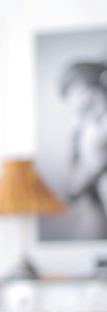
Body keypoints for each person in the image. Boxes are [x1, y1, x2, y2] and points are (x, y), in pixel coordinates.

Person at [57, 61, 107, 239]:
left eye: (91, 104)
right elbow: (70, 190)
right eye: (82, 111)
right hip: (97, 227)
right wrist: (91, 170)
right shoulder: (80, 136)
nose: (92, 115)